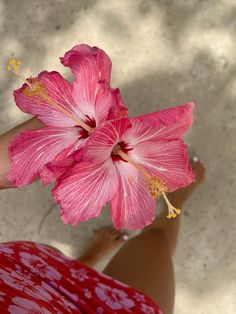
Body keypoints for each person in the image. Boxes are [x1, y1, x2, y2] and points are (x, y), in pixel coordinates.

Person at [0, 118, 205, 314]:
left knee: (59, 278)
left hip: (20, 281)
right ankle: (176, 201)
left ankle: (89, 257)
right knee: (156, 240)